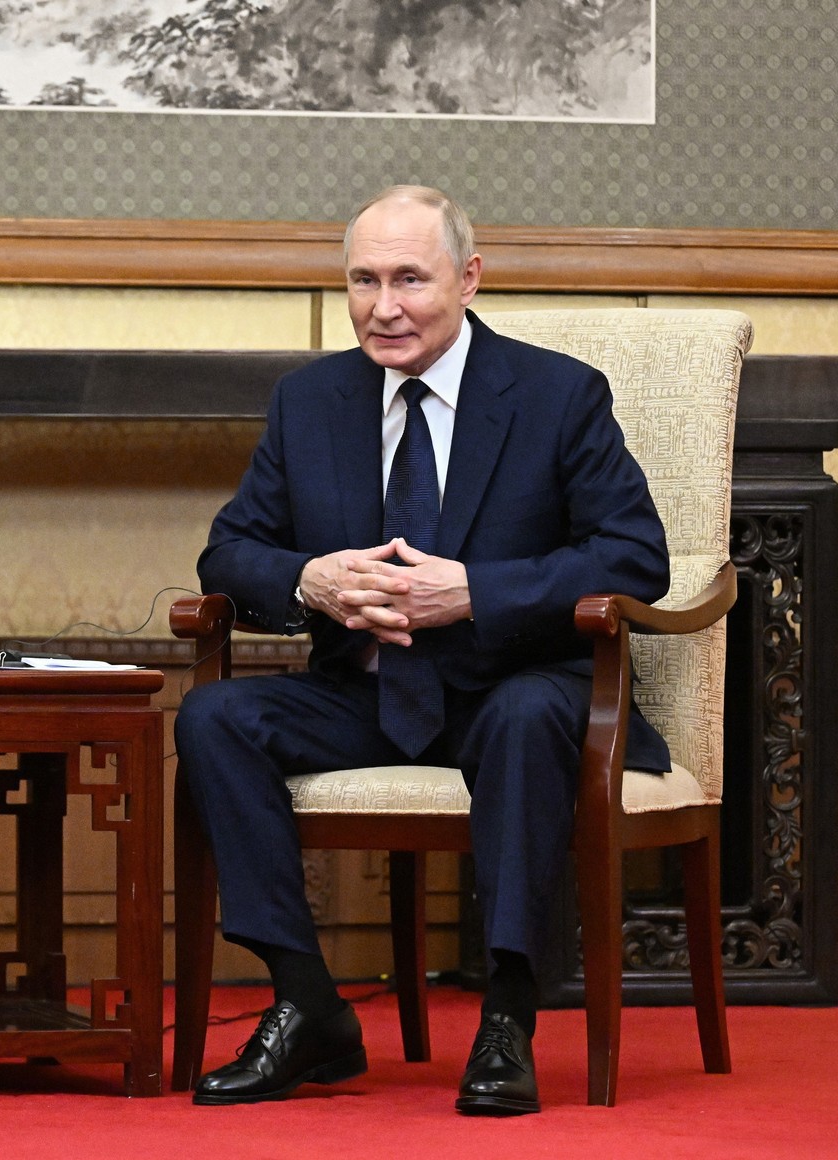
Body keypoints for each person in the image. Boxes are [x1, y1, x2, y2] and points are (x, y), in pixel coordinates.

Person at [173, 185, 670, 1116]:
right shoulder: (311, 400)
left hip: (508, 688)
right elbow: (229, 551)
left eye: (410, 278)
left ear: (469, 279)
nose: (384, 307)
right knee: (214, 716)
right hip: (364, 695)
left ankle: (508, 1016)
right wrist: (310, 578)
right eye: (363, 281)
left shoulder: (556, 395)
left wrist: (477, 592)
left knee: (525, 714)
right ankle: (307, 1003)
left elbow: (636, 556)